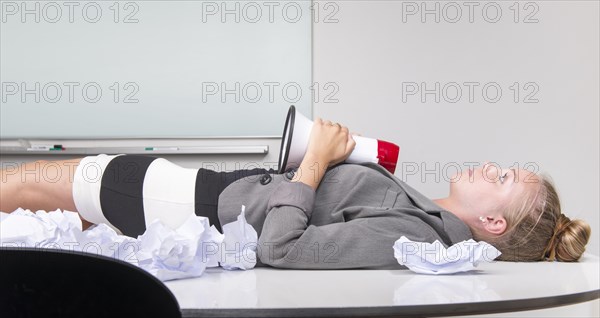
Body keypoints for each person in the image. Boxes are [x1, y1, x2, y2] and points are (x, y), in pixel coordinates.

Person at [0, 119, 591, 268]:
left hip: (176, 201)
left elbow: (282, 245)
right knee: (27, 211)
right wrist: (315, 166)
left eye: (505, 179)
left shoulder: (416, 235)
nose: (491, 167)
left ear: (492, 223)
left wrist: (315, 160)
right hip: (181, 198)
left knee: (20, 184)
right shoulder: (420, 218)